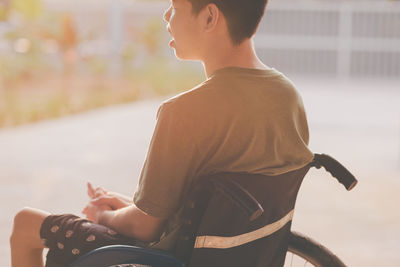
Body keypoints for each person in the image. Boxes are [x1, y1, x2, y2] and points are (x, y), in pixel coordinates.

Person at [10, 0, 314, 266]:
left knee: (26, 224)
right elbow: (219, 211)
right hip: (245, 253)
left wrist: (102, 216)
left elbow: (145, 229)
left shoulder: (184, 111)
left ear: (210, 17)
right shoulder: (288, 95)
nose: (166, 17)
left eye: (174, 6)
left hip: (170, 258)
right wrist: (131, 205)